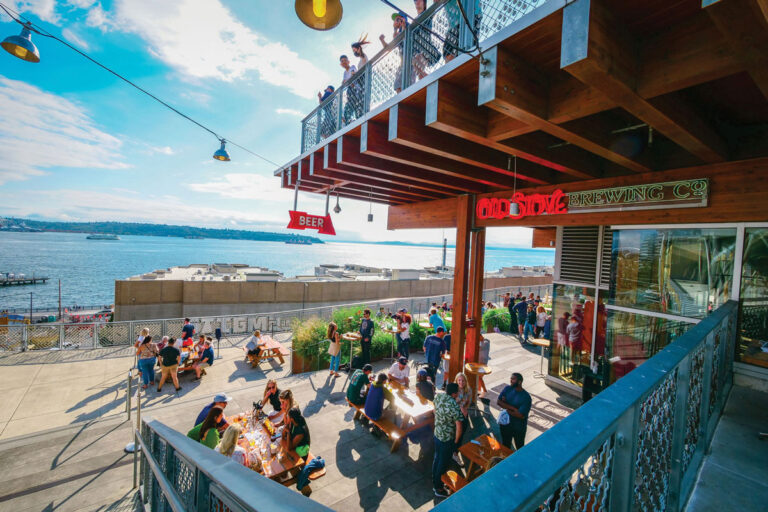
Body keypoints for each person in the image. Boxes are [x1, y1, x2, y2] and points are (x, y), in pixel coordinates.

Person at [432, 382, 464, 498]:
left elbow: (434, 411)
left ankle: (435, 482)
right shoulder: (454, 405)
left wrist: (439, 420)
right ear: (454, 394)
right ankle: (438, 488)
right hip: (447, 439)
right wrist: (456, 441)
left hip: (437, 434)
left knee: (436, 458)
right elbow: (459, 426)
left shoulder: (439, 396)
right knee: (443, 463)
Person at [497, 373, 531, 450]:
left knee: (520, 447)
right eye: (511, 378)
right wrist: (514, 409)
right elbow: (498, 402)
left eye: (513, 379)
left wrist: (506, 407)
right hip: (505, 424)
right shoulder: (507, 388)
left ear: (519, 382)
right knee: (505, 445)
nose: (511, 380)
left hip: (518, 428)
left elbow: (520, 415)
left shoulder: (526, 397)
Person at [379, 12, 407, 93]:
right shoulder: (397, 33)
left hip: (410, 58)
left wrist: (402, 25)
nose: (395, 21)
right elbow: (389, 48)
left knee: (408, 84)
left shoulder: (407, 27)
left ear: (403, 19)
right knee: (397, 85)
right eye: (395, 20)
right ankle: (401, 100)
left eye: (398, 19)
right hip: (402, 62)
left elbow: (405, 33)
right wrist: (382, 40)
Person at [453, 372, 472, 465]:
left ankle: (455, 452)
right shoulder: (453, 390)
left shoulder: (468, 390)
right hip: (454, 415)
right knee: (455, 434)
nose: (461, 382)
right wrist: (461, 409)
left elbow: (468, 402)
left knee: (461, 434)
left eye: (463, 380)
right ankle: (454, 451)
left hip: (463, 414)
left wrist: (466, 409)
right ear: (456, 381)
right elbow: (450, 403)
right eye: (459, 380)